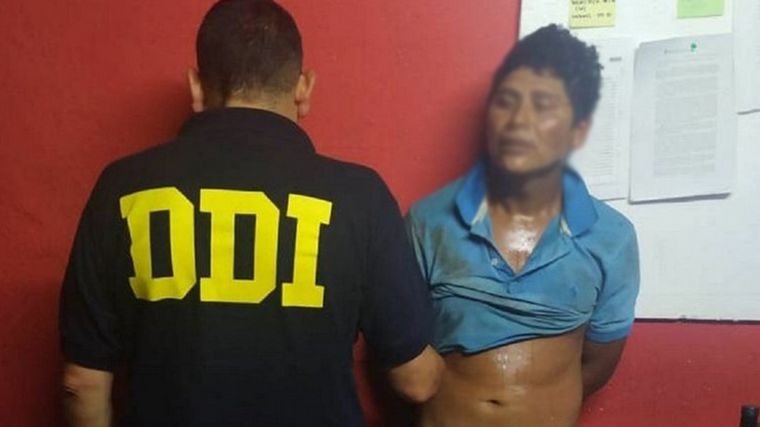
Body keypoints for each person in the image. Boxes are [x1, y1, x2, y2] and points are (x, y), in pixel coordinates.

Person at [59, 1, 443, 426]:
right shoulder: (361, 196)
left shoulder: (123, 187)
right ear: (303, 88)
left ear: (196, 88)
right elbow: (416, 381)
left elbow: (82, 382)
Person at [406, 25, 639, 427]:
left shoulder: (611, 239)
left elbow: (599, 363)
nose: (518, 121)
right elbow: (403, 355)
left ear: (578, 129)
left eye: (543, 105)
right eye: (506, 102)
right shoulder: (429, 222)